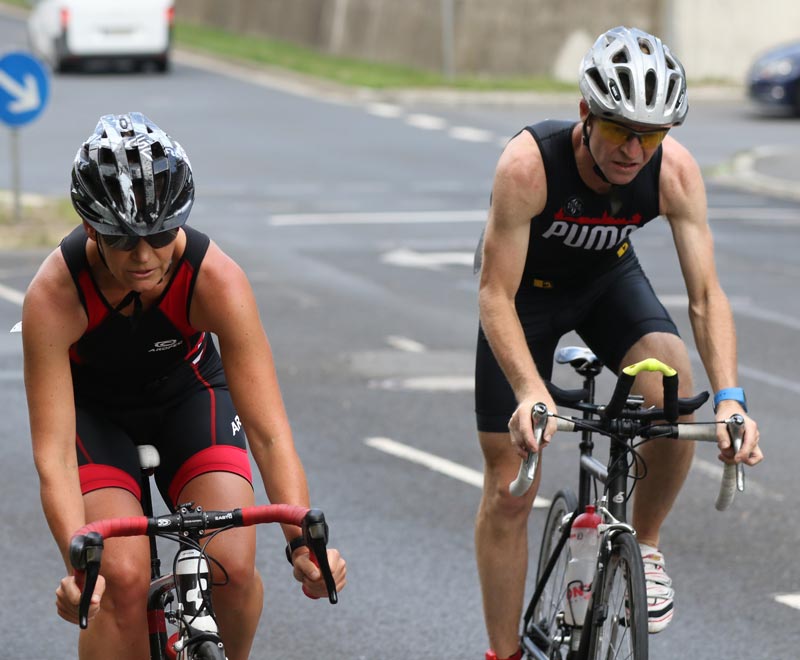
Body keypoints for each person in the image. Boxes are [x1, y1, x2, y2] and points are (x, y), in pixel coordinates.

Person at [474, 26, 762, 660]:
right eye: (619, 130)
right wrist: (529, 391)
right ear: (586, 112)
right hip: (524, 296)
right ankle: (503, 652)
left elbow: (706, 295)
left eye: (651, 135)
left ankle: (647, 545)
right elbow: (494, 293)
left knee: (675, 391)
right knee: (508, 485)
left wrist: (732, 400)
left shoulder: (673, 171)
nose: (635, 150)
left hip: (606, 282)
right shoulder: (529, 165)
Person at [21, 112, 346, 660]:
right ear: (91, 230)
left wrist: (302, 545)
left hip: (187, 396)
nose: (143, 256)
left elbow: (269, 433)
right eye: (122, 239)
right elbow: (53, 456)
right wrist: (81, 569)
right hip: (94, 415)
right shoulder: (55, 296)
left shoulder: (215, 279)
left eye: (160, 234)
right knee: (120, 582)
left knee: (232, 568)